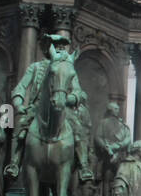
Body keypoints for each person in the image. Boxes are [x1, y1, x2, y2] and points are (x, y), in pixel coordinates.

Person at [6, 32, 92, 181]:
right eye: (55, 46)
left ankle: (84, 166)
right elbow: (20, 87)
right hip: (37, 107)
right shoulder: (35, 67)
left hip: (63, 107)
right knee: (20, 128)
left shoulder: (67, 66)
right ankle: (14, 163)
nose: (59, 49)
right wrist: (19, 104)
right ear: (47, 48)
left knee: (78, 129)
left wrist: (71, 98)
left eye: (62, 46)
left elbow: (80, 92)